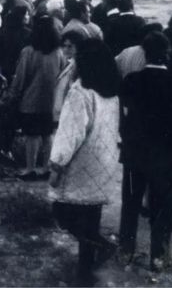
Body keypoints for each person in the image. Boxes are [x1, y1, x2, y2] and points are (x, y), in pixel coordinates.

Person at [47, 38, 120, 286]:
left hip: (82, 162)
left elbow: (70, 133)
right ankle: (85, 271)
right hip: (105, 160)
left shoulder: (80, 93)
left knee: (62, 213)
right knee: (91, 218)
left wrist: (57, 164)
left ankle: (102, 247)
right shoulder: (110, 90)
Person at [119, 32, 172, 271]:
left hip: (134, 153)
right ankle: (158, 257)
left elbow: (123, 116)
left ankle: (125, 251)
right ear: (167, 53)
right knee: (162, 209)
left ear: (144, 53)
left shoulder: (131, 80)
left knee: (130, 204)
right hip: (165, 156)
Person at [7, 16, 65, 180]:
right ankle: (46, 168)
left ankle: (30, 169)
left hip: (31, 101)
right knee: (48, 135)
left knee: (32, 136)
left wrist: (12, 95)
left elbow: (20, 78)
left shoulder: (28, 51)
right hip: (51, 102)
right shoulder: (59, 52)